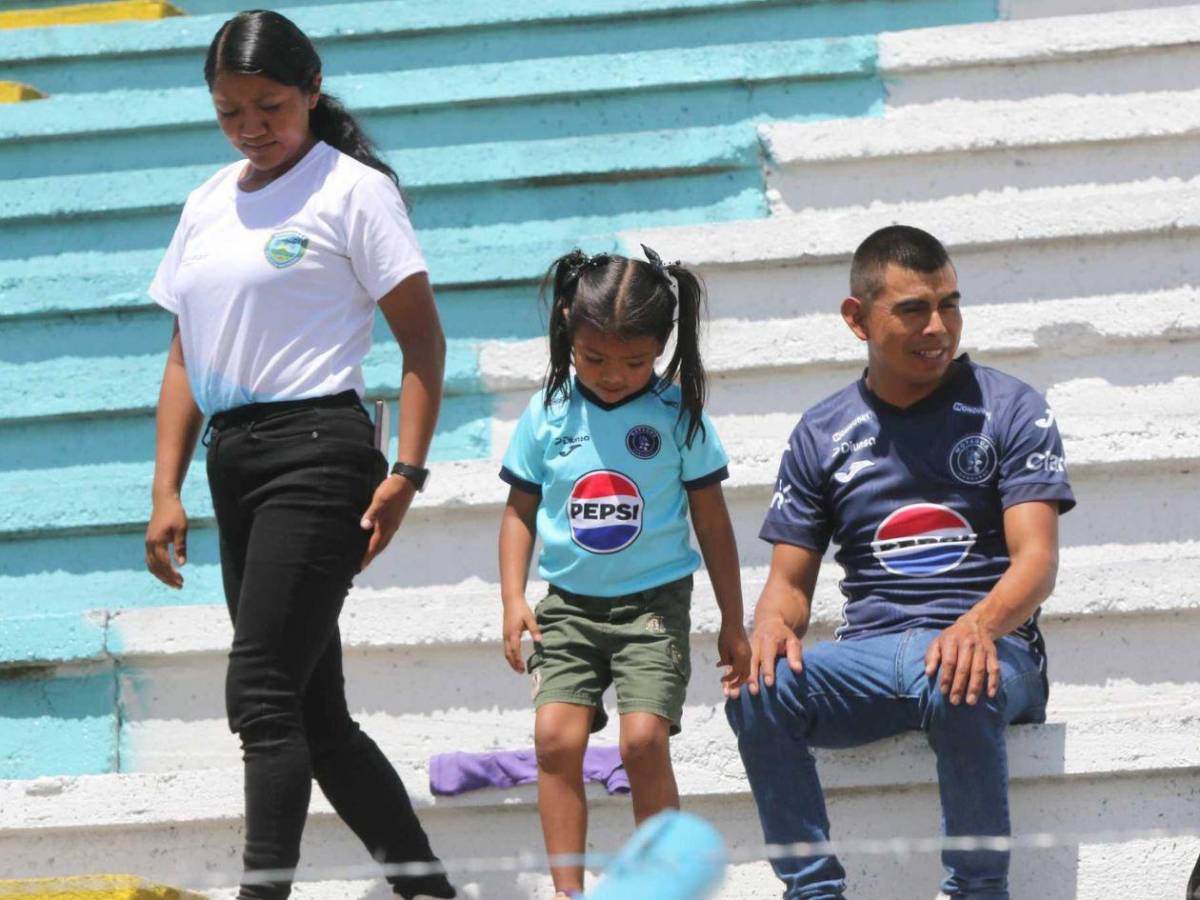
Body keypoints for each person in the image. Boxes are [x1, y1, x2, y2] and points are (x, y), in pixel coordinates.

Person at [142, 11, 457, 900]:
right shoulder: (207, 200)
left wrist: (407, 471)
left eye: (270, 105)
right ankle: (428, 892)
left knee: (261, 695)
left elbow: (424, 347)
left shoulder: (352, 190)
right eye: (230, 111)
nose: (251, 126)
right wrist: (164, 486)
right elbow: (183, 356)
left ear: (312, 91)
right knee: (317, 720)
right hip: (232, 458)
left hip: (319, 452)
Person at [726, 225, 1076, 900]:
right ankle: (812, 890)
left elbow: (1037, 563)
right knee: (758, 687)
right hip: (874, 655)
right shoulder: (822, 432)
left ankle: (977, 891)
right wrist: (769, 628)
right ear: (856, 319)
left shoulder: (1009, 408)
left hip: (995, 649)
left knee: (958, 678)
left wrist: (978, 628)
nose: (938, 326)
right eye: (913, 309)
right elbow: (789, 586)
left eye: (949, 304)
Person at [497, 248, 752, 899]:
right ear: (567, 332)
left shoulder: (677, 416)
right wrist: (513, 598)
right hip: (568, 607)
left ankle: (661, 888)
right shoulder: (547, 414)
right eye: (596, 359)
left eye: (635, 362)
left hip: (651, 608)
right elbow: (519, 513)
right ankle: (568, 892)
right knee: (555, 740)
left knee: (643, 742)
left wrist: (732, 620)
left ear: (664, 347)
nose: (614, 376)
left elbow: (715, 524)